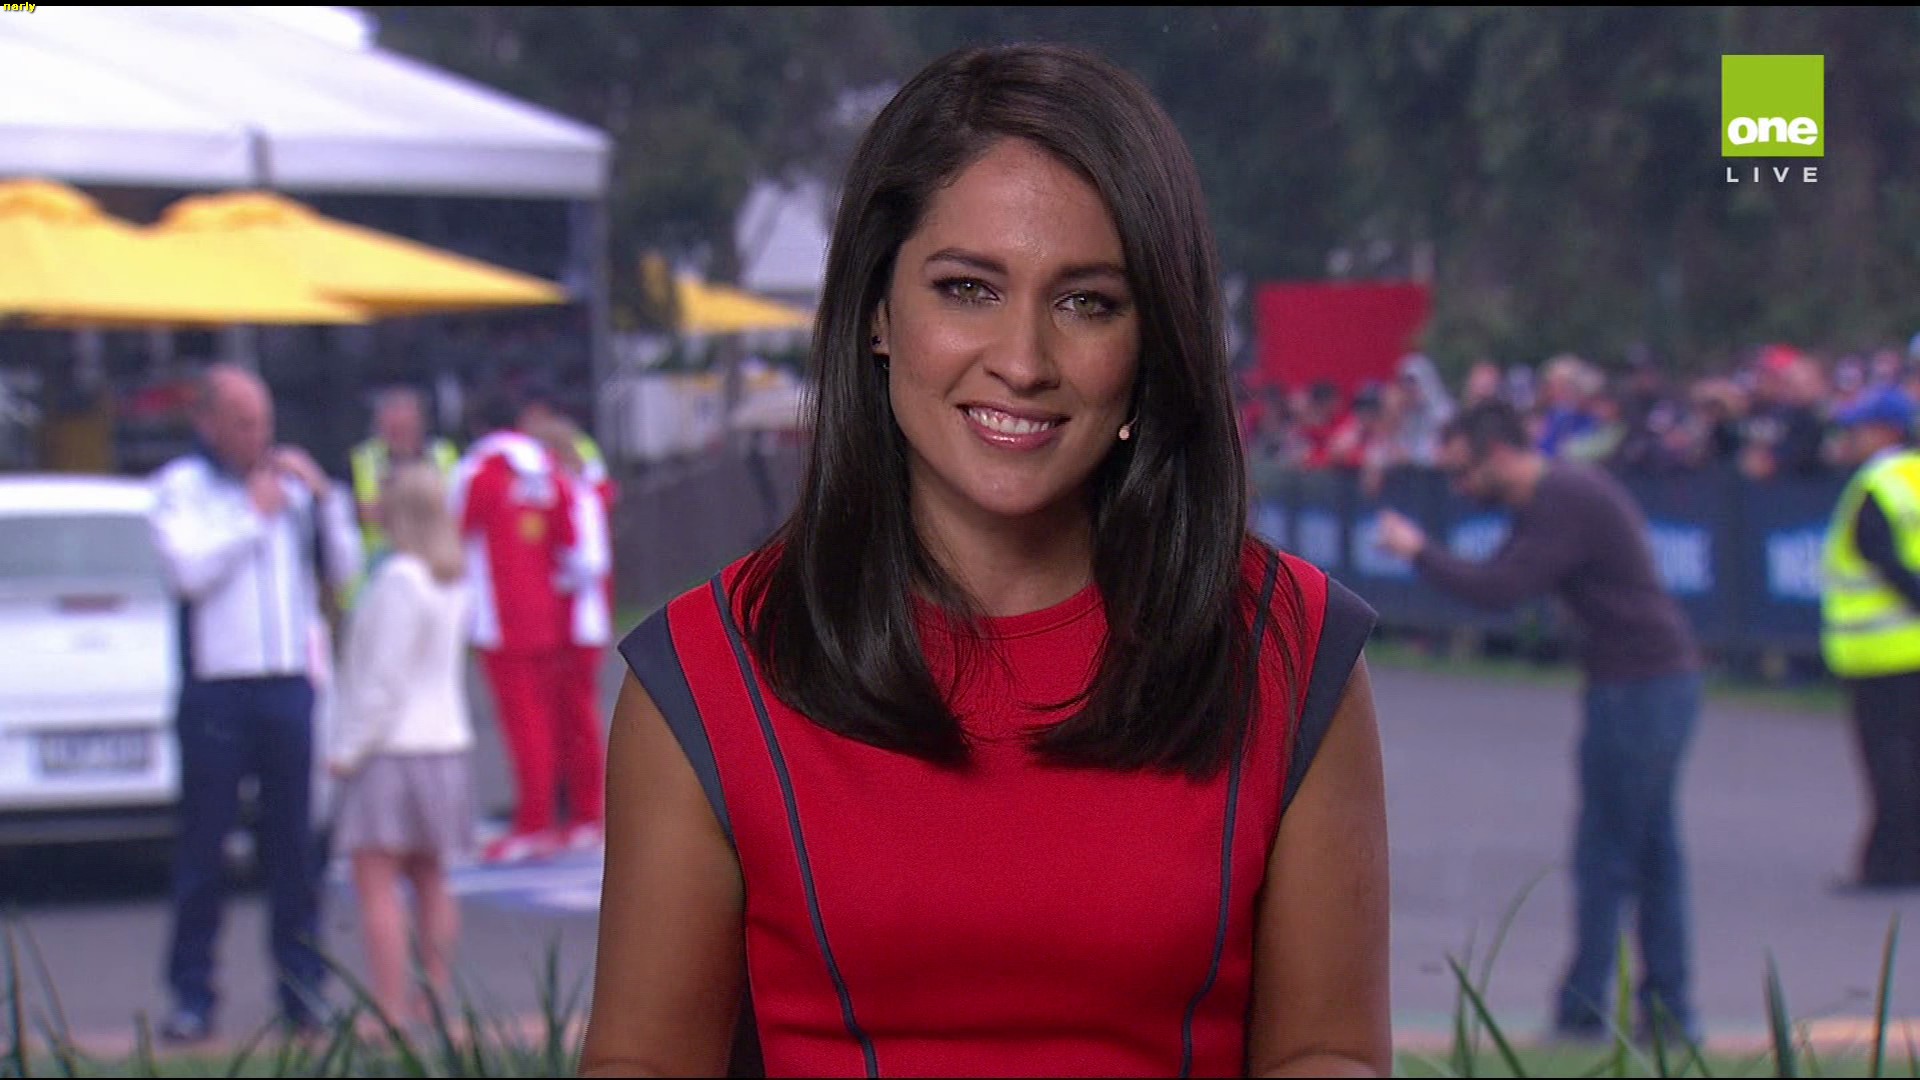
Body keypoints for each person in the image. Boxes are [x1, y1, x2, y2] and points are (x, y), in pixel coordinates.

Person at [580, 42, 1391, 1079]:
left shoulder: (1292, 650)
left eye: (1087, 302)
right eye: (967, 288)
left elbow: (1327, 1054)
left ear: (1155, 340)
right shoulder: (705, 675)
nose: (1021, 361)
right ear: (878, 312)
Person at [1375, 397, 1702, 1046]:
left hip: (1638, 687)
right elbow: (1502, 579)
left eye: (1463, 471)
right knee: (1650, 852)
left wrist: (1418, 551)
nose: (1459, 487)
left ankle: (1587, 1009)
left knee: (1607, 851)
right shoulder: (1557, 497)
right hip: (1650, 681)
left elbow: (1498, 589)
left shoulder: (1562, 499)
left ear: (1498, 453)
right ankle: (1666, 1008)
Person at [147, 363, 363, 1043]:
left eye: (263, 423)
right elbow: (188, 572)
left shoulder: (290, 489)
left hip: (286, 682)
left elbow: (345, 571)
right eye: (242, 424)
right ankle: (192, 994)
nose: (257, 437)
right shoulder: (181, 489)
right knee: (205, 846)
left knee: (294, 846)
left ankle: (302, 989)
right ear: (208, 423)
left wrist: (325, 500)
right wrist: (251, 518)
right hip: (218, 686)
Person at [325, 460, 476, 1027]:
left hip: (393, 748)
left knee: (376, 879)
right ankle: (431, 997)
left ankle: (389, 1009)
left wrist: (347, 750)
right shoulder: (451, 579)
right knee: (431, 875)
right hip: (446, 742)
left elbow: (383, 682)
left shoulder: (398, 581)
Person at [449, 383, 585, 864]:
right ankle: (553, 816)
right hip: (548, 610)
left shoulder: (478, 471)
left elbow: (452, 537)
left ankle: (534, 823)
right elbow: (570, 540)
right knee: (549, 720)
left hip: (498, 618)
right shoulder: (546, 466)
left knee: (522, 724)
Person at [1819, 386, 1920, 890]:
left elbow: (1879, 557)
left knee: (1889, 765)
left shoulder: (1878, 482)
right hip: (1909, 648)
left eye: (1859, 427)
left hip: (1879, 651)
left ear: (1885, 432)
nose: (1851, 436)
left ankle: (1889, 866)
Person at [530, 410, 615, 853]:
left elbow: (589, 561)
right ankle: (573, 808)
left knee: (580, 720)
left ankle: (589, 811)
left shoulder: (576, 495)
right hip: (566, 622)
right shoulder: (564, 493)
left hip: (580, 622)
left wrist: (548, 574)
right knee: (563, 719)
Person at [349, 387, 460, 581]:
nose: (400, 437)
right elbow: (357, 510)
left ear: (420, 425)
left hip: (437, 561)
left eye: (406, 428)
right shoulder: (363, 459)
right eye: (393, 430)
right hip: (379, 567)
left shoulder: (444, 454)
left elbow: (455, 506)